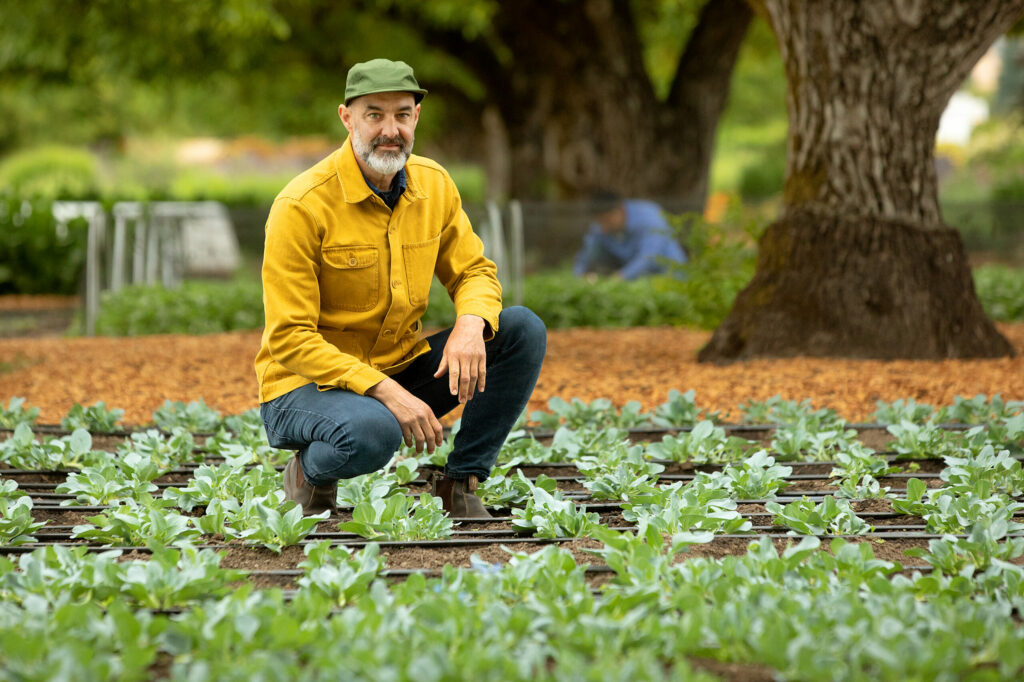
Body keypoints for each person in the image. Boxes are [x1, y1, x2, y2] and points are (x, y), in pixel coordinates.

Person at [255, 59, 546, 519]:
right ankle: (310, 474)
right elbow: (290, 338)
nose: (390, 129)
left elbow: (473, 271)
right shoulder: (301, 205)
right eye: (374, 114)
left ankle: (460, 481)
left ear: (416, 119)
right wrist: (386, 393)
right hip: (304, 387)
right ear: (346, 118)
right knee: (374, 433)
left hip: (399, 367)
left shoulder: (435, 185)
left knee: (518, 330)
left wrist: (471, 324)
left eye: (402, 114)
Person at [572, 191, 687, 280]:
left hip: (671, 276)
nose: (603, 228)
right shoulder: (601, 228)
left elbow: (649, 258)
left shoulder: (649, 218)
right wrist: (581, 275)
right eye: (599, 222)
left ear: (619, 211)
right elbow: (588, 253)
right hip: (637, 281)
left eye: (606, 220)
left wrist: (619, 278)